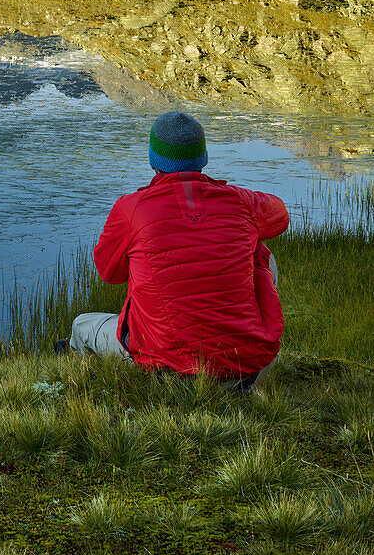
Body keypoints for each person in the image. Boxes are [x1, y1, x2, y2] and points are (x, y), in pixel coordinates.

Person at [58, 111, 289, 390]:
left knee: (82, 326)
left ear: (154, 160)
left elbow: (110, 273)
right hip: (248, 369)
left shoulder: (131, 209)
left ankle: (91, 384)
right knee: (260, 252)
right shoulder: (242, 202)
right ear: (202, 158)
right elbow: (280, 217)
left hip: (169, 374)